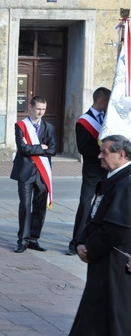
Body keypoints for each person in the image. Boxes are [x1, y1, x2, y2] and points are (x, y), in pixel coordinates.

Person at [69, 134, 131, 335]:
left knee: (113, 316)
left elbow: (117, 228)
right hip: (103, 260)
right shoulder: (112, 178)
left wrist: (90, 248)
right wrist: (81, 241)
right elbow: (95, 214)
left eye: (104, 152)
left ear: (121, 155)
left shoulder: (126, 183)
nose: (99, 156)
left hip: (114, 261)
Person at [67, 86, 110, 255]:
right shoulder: (84, 121)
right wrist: (104, 154)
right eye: (108, 101)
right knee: (86, 203)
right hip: (93, 169)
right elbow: (83, 148)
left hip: (109, 169)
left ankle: (97, 240)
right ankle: (75, 241)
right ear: (101, 101)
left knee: (106, 205)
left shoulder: (110, 118)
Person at [10, 95, 56, 253]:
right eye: (38, 109)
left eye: (44, 109)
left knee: (39, 207)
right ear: (30, 107)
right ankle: (22, 240)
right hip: (25, 171)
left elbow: (52, 149)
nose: (41, 112)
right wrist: (41, 147)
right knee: (24, 205)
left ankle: (34, 239)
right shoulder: (21, 126)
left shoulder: (49, 127)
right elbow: (22, 148)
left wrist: (36, 148)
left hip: (42, 173)